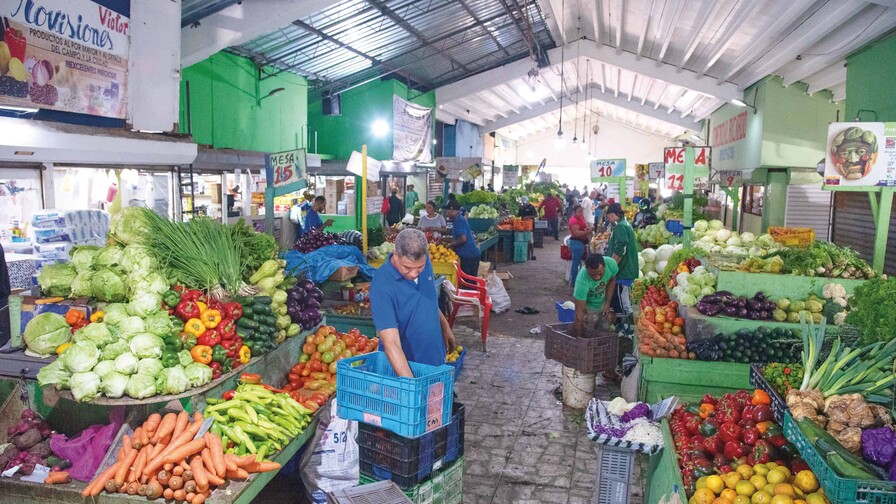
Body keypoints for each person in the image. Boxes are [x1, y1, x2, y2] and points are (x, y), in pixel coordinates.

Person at [370, 229, 456, 375]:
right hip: (404, 370)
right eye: (407, 268)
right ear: (396, 255)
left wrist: (444, 326)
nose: (414, 274)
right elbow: (391, 343)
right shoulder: (381, 284)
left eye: (419, 268)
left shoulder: (423, 261)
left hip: (434, 361)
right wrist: (410, 385)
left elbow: (427, 299)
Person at [605, 202, 639, 380]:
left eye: (609, 215)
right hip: (625, 272)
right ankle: (624, 331)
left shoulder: (620, 227)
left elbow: (620, 249)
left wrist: (609, 268)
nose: (608, 218)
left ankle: (625, 334)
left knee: (623, 305)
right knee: (623, 303)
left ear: (614, 215)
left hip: (622, 273)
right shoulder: (625, 225)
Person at [573, 253, 619, 338]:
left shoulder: (611, 264)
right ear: (586, 269)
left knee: (604, 333)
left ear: (604, 266)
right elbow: (579, 314)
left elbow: (612, 281)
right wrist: (579, 339)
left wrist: (607, 303)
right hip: (589, 309)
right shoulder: (582, 282)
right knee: (589, 334)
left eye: (600, 273)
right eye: (592, 275)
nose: (597, 277)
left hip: (603, 305)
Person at [445, 199, 481, 278]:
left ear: (452, 210)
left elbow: (463, 239)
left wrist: (450, 245)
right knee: (470, 282)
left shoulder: (459, 220)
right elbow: (457, 237)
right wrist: (444, 240)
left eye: (447, 211)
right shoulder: (458, 219)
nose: (447, 213)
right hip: (470, 255)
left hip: (469, 256)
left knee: (468, 282)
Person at [568, 205, 592, 284]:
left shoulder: (581, 217)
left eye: (582, 211)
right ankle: (574, 281)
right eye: (579, 211)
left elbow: (583, 226)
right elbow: (576, 234)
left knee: (577, 262)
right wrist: (588, 231)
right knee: (576, 263)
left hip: (581, 243)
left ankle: (576, 280)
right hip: (576, 243)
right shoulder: (573, 220)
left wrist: (587, 228)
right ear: (575, 212)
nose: (581, 213)